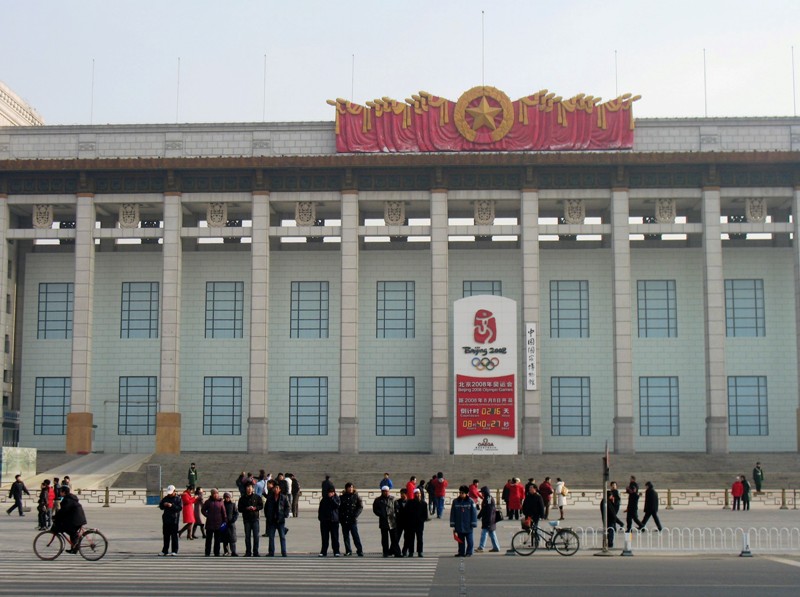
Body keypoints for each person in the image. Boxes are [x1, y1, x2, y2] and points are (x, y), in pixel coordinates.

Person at [51, 485, 86, 553]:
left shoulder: (67, 500)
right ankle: (74, 548)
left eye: (60, 491)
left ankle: (75, 546)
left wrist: (55, 517)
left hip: (76, 519)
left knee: (70, 530)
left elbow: (63, 511)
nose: (59, 493)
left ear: (64, 492)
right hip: (78, 518)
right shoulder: (70, 498)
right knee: (71, 531)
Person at [450, 485, 478, 557]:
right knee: (460, 541)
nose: (461, 494)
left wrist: (474, 523)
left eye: (463, 493)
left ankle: (469, 552)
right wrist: (452, 524)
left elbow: (474, 513)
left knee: (470, 541)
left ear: (466, 493)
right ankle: (461, 552)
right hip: (459, 524)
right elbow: (452, 513)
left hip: (468, 525)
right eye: (460, 493)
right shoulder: (455, 501)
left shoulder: (471, 501)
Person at [238, 481, 263, 557]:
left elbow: (261, 506)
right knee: (247, 536)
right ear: (246, 489)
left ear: (253, 489)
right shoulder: (242, 498)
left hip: (255, 518)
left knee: (256, 536)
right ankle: (248, 551)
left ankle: (256, 551)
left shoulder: (257, 497)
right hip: (247, 519)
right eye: (248, 487)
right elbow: (239, 509)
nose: (249, 489)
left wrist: (255, 508)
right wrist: (246, 508)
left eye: (250, 487)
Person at [373, 485, 400, 557]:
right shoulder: (378, 500)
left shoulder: (393, 499)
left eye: (387, 491)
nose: (386, 493)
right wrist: (381, 514)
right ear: (382, 492)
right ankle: (385, 552)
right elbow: (375, 510)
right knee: (384, 539)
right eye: (384, 491)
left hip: (392, 521)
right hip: (383, 521)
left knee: (394, 538)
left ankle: (396, 552)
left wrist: (396, 513)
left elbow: (397, 507)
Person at [264, 480, 289, 557]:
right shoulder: (270, 498)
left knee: (282, 537)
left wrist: (285, 514)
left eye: (277, 488)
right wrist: (267, 516)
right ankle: (271, 552)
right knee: (271, 537)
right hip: (272, 521)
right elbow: (266, 508)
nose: (276, 489)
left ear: (280, 489)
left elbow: (287, 507)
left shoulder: (283, 497)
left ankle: (284, 552)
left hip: (280, 520)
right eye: (275, 488)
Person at [338, 482, 364, 557]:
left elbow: (360, 507)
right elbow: (340, 509)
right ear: (346, 488)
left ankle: (360, 550)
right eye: (349, 487)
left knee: (355, 536)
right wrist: (341, 517)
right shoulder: (342, 497)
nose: (351, 489)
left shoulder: (356, 496)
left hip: (352, 520)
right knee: (346, 537)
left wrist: (355, 515)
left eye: (352, 487)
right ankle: (348, 550)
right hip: (344, 520)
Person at [201, 488, 227, 556]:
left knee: (217, 540)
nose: (215, 495)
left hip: (218, 523)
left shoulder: (221, 502)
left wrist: (224, 521)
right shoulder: (208, 502)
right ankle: (207, 552)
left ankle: (217, 552)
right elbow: (203, 510)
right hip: (210, 523)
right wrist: (207, 515)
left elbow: (223, 512)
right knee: (208, 540)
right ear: (212, 494)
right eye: (214, 494)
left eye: (216, 493)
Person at [318, 485, 341, 557]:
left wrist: (332, 499)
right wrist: (320, 518)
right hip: (325, 521)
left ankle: (336, 551)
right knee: (324, 537)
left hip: (334, 521)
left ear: (334, 492)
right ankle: (323, 551)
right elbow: (320, 509)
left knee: (335, 537)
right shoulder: (324, 499)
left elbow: (337, 506)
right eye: (329, 492)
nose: (330, 493)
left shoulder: (337, 498)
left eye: (331, 492)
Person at [159, 485, 182, 556]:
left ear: (174, 491)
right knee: (166, 536)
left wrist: (172, 505)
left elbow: (179, 508)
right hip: (166, 519)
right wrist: (164, 504)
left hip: (174, 520)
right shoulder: (165, 498)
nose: (170, 494)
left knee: (174, 536)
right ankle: (165, 550)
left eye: (171, 492)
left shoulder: (178, 499)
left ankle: (174, 550)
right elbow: (161, 506)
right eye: (169, 493)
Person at [404, 488, 428, 557]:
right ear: (414, 494)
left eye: (419, 493)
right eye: (416, 493)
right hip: (411, 524)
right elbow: (406, 513)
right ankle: (411, 551)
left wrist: (421, 520)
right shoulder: (410, 502)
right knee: (411, 538)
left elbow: (425, 515)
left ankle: (420, 551)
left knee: (419, 538)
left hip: (420, 524)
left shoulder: (424, 503)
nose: (418, 495)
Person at [476, 486, 500, 552]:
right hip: (488, 519)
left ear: (485, 492)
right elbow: (484, 509)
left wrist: (489, 520)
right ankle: (496, 547)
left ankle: (481, 547)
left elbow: (489, 510)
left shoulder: (488, 498)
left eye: (482, 492)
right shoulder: (486, 498)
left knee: (484, 533)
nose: (481, 494)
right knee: (492, 533)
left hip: (489, 519)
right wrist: (478, 516)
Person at [221, 492, 239, 556]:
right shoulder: (222, 504)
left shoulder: (233, 504)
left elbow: (236, 513)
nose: (227, 499)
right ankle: (226, 551)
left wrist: (233, 519)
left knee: (232, 539)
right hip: (224, 523)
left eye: (228, 497)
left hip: (231, 523)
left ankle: (233, 551)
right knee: (224, 539)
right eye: (226, 497)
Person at [395, 488, 410, 556]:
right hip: (399, 522)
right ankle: (396, 551)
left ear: (406, 494)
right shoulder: (397, 502)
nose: (401, 495)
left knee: (407, 538)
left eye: (402, 494)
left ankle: (405, 550)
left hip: (407, 523)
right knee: (396, 537)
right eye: (400, 494)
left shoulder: (410, 502)